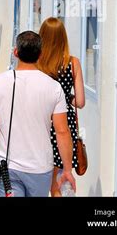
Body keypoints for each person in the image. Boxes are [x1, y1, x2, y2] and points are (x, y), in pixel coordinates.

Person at [0, 31, 76, 198]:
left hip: (8, 168)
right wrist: (67, 169)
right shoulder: (54, 87)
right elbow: (62, 131)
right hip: (40, 168)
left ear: (16, 52)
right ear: (41, 54)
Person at [38, 17, 85, 197]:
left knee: (44, 180)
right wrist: (67, 96)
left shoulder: (38, 63)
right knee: (60, 182)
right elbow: (80, 102)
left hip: (43, 121)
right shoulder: (73, 63)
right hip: (65, 124)